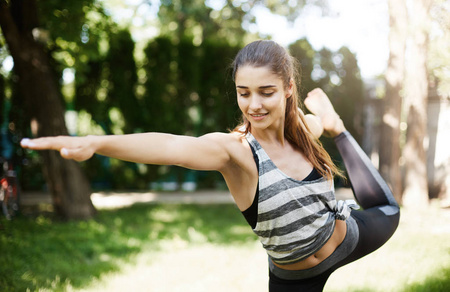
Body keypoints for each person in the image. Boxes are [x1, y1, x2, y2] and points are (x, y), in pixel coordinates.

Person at [20, 40, 400, 291]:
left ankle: (341, 128)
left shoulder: (302, 129)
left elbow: (310, 126)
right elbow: (171, 146)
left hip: (345, 238)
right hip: (295, 279)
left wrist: (329, 125)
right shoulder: (235, 153)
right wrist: (97, 143)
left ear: (287, 88)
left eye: (266, 92)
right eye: (243, 92)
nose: (254, 105)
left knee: (389, 211)